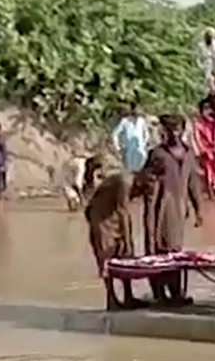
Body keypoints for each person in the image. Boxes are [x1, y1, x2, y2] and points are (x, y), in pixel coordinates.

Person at [142, 114, 204, 305]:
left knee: (174, 251)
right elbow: (147, 183)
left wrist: (198, 209)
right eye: (170, 130)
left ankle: (175, 292)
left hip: (178, 208)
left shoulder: (188, 154)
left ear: (183, 131)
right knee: (156, 249)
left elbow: (193, 183)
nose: (173, 133)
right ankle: (161, 293)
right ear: (164, 132)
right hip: (159, 208)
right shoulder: (157, 155)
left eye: (177, 129)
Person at [85, 173, 150, 311]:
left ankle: (128, 296)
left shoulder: (131, 183)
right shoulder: (125, 183)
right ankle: (111, 299)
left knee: (124, 258)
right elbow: (123, 211)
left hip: (112, 215)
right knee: (106, 258)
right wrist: (128, 239)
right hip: (101, 219)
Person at [111, 102, 150, 174]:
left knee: (140, 169)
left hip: (139, 148)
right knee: (128, 170)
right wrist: (118, 147)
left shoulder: (141, 121)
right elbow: (115, 134)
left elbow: (146, 134)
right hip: (128, 149)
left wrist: (144, 144)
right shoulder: (125, 121)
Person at [193, 97, 215, 199]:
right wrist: (201, 149)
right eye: (205, 109)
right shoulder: (198, 123)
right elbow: (197, 137)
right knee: (208, 170)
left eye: (208, 109)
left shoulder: (214, 122)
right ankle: (210, 190)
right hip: (205, 149)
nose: (207, 112)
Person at [197, 27, 215, 94]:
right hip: (205, 64)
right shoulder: (201, 45)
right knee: (205, 80)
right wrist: (200, 65)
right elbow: (198, 56)